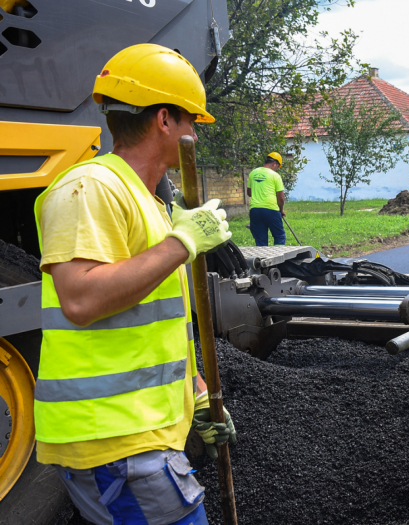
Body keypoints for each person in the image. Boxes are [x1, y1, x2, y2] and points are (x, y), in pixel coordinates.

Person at [34, 44, 237, 525]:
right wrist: (182, 243)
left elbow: (151, 327)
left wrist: (200, 393)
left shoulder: (148, 202)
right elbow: (81, 299)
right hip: (115, 440)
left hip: (140, 436)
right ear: (164, 119)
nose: (194, 134)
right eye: (191, 121)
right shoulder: (89, 187)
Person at [248, 152, 287, 246]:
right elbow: (281, 197)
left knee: (260, 239)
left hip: (255, 210)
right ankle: (279, 257)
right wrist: (281, 210)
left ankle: (262, 259)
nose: (277, 169)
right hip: (271, 210)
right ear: (274, 164)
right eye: (278, 167)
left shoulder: (253, 173)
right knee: (279, 236)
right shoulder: (275, 176)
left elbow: (249, 193)